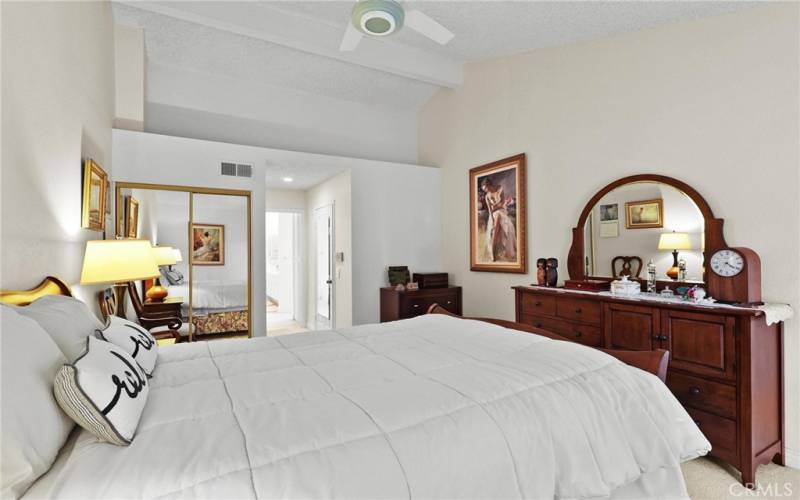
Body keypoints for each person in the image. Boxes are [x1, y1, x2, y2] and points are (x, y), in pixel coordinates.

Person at [481, 177, 517, 262]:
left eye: (486, 188)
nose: (486, 191)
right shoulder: (487, 196)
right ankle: (493, 251)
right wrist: (492, 219)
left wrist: (496, 206)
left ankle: (495, 252)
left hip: (502, 210)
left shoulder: (499, 188)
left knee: (499, 217)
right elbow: (490, 210)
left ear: (489, 185)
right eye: (484, 190)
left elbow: (502, 202)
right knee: (495, 223)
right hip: (493, 214)